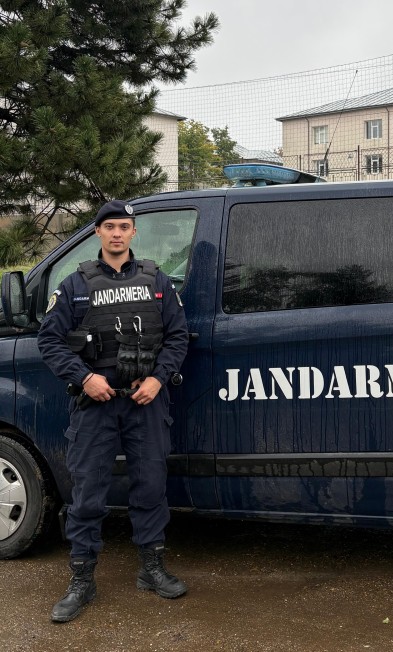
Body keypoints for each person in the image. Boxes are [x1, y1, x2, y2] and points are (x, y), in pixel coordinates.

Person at [37, 200, 189, 623]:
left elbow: (178, 336)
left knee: (150, 487)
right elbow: (49, 341)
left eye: (124, 226)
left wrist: (158, 379)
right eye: (110, 227)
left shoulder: (157, 280)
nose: (117, 233)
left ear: (134, 232)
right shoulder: (75, 285)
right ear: (98, 233)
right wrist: (85, 377)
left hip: (146, 401)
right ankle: (82, 580)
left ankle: (151, 569)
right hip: (95, 404)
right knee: (87, 493)